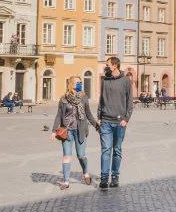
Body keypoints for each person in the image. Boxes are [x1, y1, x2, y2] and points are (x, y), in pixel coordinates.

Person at [51, 76, 100, 190]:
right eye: (78, 82)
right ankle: (66, 181)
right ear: (71, 84)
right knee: (66, 156)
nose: (80, 84)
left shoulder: (84, 98)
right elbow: (58, 115)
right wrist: (54, 130)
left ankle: (86, 173)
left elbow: (88, 114)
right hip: (67, 132)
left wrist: (97, 126)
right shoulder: (63, 99)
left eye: (80, 82)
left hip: (80, 130)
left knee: (81, 155)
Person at [97, 56, 133, 189]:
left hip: (119, 122)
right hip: (106, 121)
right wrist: (99, 117)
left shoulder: (125, 81)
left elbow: (130, 102)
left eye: (107, 65)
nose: (105, 67)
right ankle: (104, 178)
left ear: (114, 66)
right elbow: (101, 99)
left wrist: (126, 119)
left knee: (117, 150)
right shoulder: (105, 80)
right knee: (106, 150)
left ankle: (115, 177)